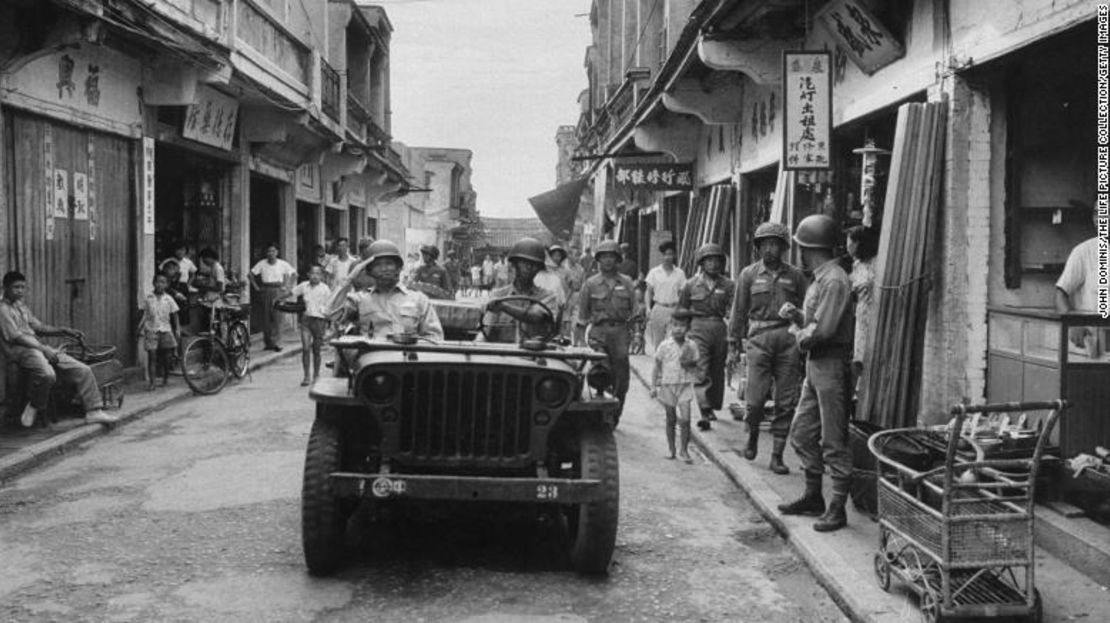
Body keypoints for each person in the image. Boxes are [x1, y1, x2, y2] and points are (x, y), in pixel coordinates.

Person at [776, 214, 854, 533]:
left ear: (811, 248)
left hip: (831, 363)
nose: (800, 253)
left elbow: (820, 332)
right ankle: (813, 496)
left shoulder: (834, 279)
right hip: (817, 365)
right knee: (802, 431)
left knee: (833, 438)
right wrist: (798, 315)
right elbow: (813, 319)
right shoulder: (821, 278)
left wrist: (797, 329)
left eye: (802, 247)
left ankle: (837, 507)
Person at [729, 222, 808, 475]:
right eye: (765, 245)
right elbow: (738, 311)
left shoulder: (796, 275)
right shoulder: (749, 274)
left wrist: (799, 318)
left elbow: (809, 309)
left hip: (788, 338)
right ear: (759, 247)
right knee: (754, 400)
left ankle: (777, 455)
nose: (770, 250)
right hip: (759, 338)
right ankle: (751, 435)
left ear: (783, 248)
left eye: (775, 244)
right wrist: (733, 344)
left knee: (786, 401)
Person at [0, 271, 119, 427]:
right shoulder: (2, 309)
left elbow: (38, 327)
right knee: (48, 374)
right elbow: (17, 337)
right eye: (16, 287)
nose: (20, 291)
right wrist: (44, 349)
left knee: (83, 370)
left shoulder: (20, 306)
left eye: (23, 287)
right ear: (5, 287)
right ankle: (36, 405)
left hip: (37, 348)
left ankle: (93, 411)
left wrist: (63, 330)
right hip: (20, 350)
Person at [576, 240, 642, 420]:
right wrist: (580, 343)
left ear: (617, 259)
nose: (607, 261)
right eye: (603, 256)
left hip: (620, 333)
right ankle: (600, 414)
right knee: (600, 373)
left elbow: (636, 312)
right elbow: (582, 316)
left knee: (621, 379)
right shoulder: (590, 284)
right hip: (598, 333)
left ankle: (615, 414)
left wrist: (637, 334)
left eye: (611, 256)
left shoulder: (627, 282)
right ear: (598, 259)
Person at [328, 239, 443, 341]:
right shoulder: (360, 299)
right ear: (369, 271)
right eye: (377, 265)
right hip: (371, 362)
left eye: (389, 264)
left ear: (399, 268)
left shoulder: (418, 299)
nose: (384, 269)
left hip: (407, 360)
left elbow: (435, 337)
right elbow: (331, 313)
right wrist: (350, 277)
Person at [674, 243, 735, 432]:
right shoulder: (691, 285)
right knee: (701, 368)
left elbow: (734, 309)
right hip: (698, 327)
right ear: (702, 263)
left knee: (717, 370)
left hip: (720, 327)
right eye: (709, 260)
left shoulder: (729, 285)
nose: (713, 264)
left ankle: (713, 404)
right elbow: (680, 309)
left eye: (717, 260)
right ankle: (704, 407)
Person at [481, 238, 559, 343]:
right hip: (502, 355)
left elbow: (535, 316)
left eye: (534, 264)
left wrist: (504, 307)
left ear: (539, 268)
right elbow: (485, 331)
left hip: (536, 356)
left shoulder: (547, 297)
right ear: (515, 264)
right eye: (524, 262)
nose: (529, 267)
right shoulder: (498, 295)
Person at [1055, 204, 1106, 354]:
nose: (1100, 219)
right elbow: (1060, 293)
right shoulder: (1083, 252)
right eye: (1097, 214)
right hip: (1093, 343)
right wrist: (1073, 323)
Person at [651, 321, 700, 463]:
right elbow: (656, 365)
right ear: (670, 327)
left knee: (686, 419)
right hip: (668, 385)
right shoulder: (665, 345)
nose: (678, 329)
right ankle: (671, 448)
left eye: (682, 326)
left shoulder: (691, 346)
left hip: (684, 385)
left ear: (688, 328)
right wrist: (653, 386)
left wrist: (690, 364)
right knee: (671, 418)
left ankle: (684, 450)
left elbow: (696, 365)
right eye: (675, 326)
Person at [285, 265, 333, 386]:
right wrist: (277, 299)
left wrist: (329, 321)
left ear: (321, 276)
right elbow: (291, 292)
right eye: (313, 273)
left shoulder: (325, 289)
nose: (315, 276)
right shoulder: (304, 286)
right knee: (306, 348)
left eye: (317, 274)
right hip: (306, 320)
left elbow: (331, 304)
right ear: (308, 275)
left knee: (316, 350)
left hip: (319, 321)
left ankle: (316, 374)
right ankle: (306, 375)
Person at [846, 225, 879, 395]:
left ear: (859, 243)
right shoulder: (857, 264)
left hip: (875, 313)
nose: (847, 246)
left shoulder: (877, 262)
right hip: (861, 314)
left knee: (872, 355)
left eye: (850, 242)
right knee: (860, 357)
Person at [249, 243, 296, 351]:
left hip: (278, 290)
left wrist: (287, 287)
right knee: (266, 317)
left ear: (277, 253)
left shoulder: (282, 264)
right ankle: (268, 343)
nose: (271, 253)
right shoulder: (262, 264)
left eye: (273, 251)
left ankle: (278, 343)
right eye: (269, 251)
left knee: (278, 317)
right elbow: (250, 275)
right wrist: (256, 287)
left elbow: (294, 274)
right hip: (266, 289)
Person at [138, 273, 181, 390]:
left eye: (163, 282)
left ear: (166, 285)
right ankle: (152, 383)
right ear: (153, 283)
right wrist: (139, 327)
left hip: (165, 329)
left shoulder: (169, 299)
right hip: (151, 329)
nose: (160, 284)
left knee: (167, 356)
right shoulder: (148, 298)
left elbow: (175, 314)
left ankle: (165, 378)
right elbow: (143, 314)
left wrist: (177, 328)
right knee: (152, 355)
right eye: (158, 281)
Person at [644, 241, 686, 354]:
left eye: (670, 254)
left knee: (673, 339)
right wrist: (648, 308)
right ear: (662, 256)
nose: (668, 257)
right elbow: (648, 291)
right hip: (659, 308)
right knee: (658, 341)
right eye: (665, 254)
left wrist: (681, 309)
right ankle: (659, 366)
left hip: (674, 308)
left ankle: (671, 366)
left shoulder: (680, 273)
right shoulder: (654, 272)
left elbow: (682, 293)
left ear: (675, 256)